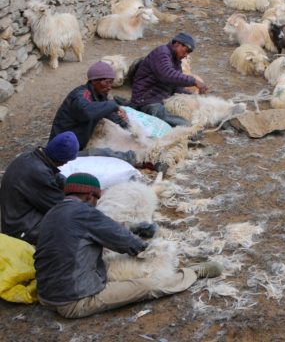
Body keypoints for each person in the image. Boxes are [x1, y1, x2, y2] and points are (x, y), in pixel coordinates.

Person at [34, 173, 221, 319]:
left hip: (45, 295)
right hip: (73, 301)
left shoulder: (52, 213)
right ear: (90, 196)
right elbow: (125, 240)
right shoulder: (86, 213)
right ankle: (193, 273)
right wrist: (146, 247)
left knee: (105, 265)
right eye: (96, 199)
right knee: (148, 286)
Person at [0, 132, 79, 244]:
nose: (66, 164)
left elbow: (55, 176)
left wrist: (72, 184)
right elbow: (60, 206)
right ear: (62, 159)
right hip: (22, 229)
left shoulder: (32, 157)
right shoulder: (38, 173)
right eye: (67, 160)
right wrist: (81, 201)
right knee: (73, 226)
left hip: (14, 218)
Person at [50, 62, 136, 164]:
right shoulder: (80, 95)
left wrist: (128, 127)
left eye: (111, 82)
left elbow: (109, 114)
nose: (109, 87)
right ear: (94, 81)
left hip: (77, 145)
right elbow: (88, 112)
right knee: (105, 153)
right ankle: (136, 158)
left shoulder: (99, 95)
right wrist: (113, 105)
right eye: (107, 82)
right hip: (62, 152)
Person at [130, 32, 208, 127]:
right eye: (186, 51)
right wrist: (194, 81)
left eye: (188, 52)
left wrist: (193, 97)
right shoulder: (162, 53)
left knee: (186, 113)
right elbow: (167, 74)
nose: (186, 55)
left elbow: (177, 87)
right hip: (146, 100)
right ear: (177, 44)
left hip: (159, 99)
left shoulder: (175, 61)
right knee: (183, 124)